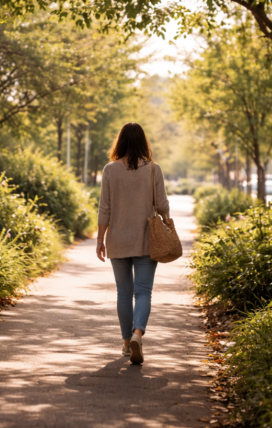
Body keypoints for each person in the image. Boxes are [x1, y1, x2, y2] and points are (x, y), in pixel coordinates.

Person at [96, 122, 169, 365]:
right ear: (143, 142)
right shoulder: (153, 169)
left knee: (124, 293)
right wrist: (168, 223)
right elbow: (162, 205)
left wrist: (99, 239)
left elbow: (104, 208)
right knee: (144, 291)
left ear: (121, 142)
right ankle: (138, 333)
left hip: (117, 239)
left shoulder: (110, 170)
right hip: (146, 240)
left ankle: (127, 342)